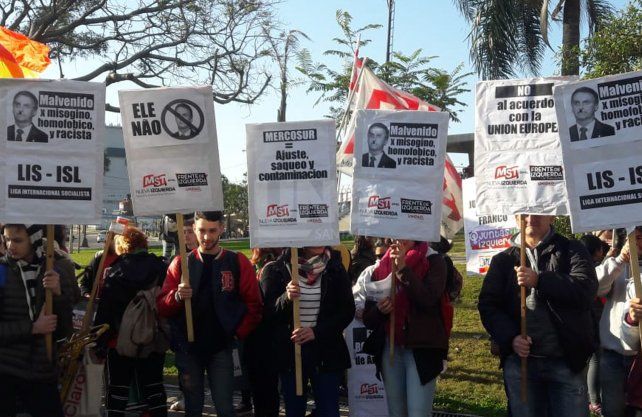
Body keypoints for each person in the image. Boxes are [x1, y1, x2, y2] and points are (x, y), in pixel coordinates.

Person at [478, 214, 598, 417]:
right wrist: (511, 338)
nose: (530, 217)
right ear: (516, 218)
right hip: (521, 365)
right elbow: (489, 305)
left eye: (538, 211)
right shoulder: (503, 260)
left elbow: (585, 291)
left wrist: (540, 280)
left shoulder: (572, 249)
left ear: (551, 216)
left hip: (566, 362)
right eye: (524, 212)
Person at [157, 211, 262, 417]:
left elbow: (254, 305)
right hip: (188, 348)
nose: (206, 237)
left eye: (212, 230)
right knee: (193, 407)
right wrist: (177, 296)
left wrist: (236, 333)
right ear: (194, 231)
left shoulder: (237, 261)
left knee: (224, 406)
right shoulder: (181, 263)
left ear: (222, 229)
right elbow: (162, 306)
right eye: (202, 230)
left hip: (222, 348)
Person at [260, 246, 355, 417]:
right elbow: (268, 314)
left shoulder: (334, 267)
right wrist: (286, 299)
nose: (318, 239)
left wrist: (316, 332)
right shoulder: (277, 269)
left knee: (329, 411)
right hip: (292, 355)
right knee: (295, 410)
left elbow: (347, 311)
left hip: (327, 354)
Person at [362, 240, 448, 417]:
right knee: (396, 412)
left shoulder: (434, 260)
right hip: (390, 348)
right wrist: (380, 310)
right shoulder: (380, 266)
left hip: (422, 350)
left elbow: (427, 298)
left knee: (418, 412)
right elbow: (369, 318)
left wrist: (402, 268)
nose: (400, 238)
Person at [0, 224, 78, 416]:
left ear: (34, 239)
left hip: (42, 370)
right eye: (7, 239)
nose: (10, 246)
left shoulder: (56, 268)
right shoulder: (1, 271)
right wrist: (32, 328)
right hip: (5, 370)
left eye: (17, 240)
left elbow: (64, 329)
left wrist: (58, 294)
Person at [94, 226, 168, 417]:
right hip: (152, 335)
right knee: (154, 386)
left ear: (123, 246)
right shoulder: (161, 267)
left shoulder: (116, 272)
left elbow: (106, 311)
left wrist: (99, 342)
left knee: (118, 388)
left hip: (119, 339)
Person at [596, 227, 642, 417]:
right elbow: (595, 288)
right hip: (613, 352)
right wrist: (619, 261)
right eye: (636, 238)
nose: (638, 243)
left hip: (639, 357)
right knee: (613, 410)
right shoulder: (616, 264)